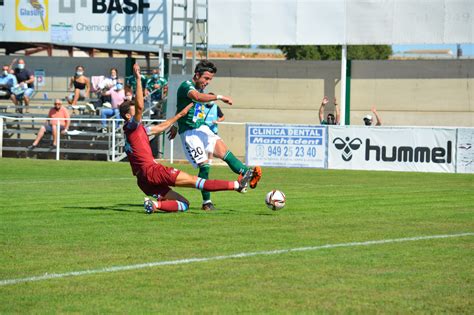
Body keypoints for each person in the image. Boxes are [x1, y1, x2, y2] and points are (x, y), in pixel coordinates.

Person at [120, 64, 253, 214]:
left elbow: (160, 127)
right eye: (206, 78)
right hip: (154, 170)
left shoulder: (137, 132)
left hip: (143, 181)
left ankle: (154, 205)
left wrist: (178, 117)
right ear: (128, 116)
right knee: (199, 181)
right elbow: (139, 107)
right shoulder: (133, 125)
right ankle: (236, 185)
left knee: (184, 204)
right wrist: (138, 79)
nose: (140, 114)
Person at [169, 59, 262, 211]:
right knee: (205, 167)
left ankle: (247, 174)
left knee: (225, 152)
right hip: (190, 134)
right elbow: (197, 98)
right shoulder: (186, 86)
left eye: (210, 80)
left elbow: (184, 107)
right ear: (197, 75)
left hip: (202, 129)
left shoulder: (200, 90)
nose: (207, 82)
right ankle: (207, 203)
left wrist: (174, 123)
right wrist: (220, 97)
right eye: (206, 78)